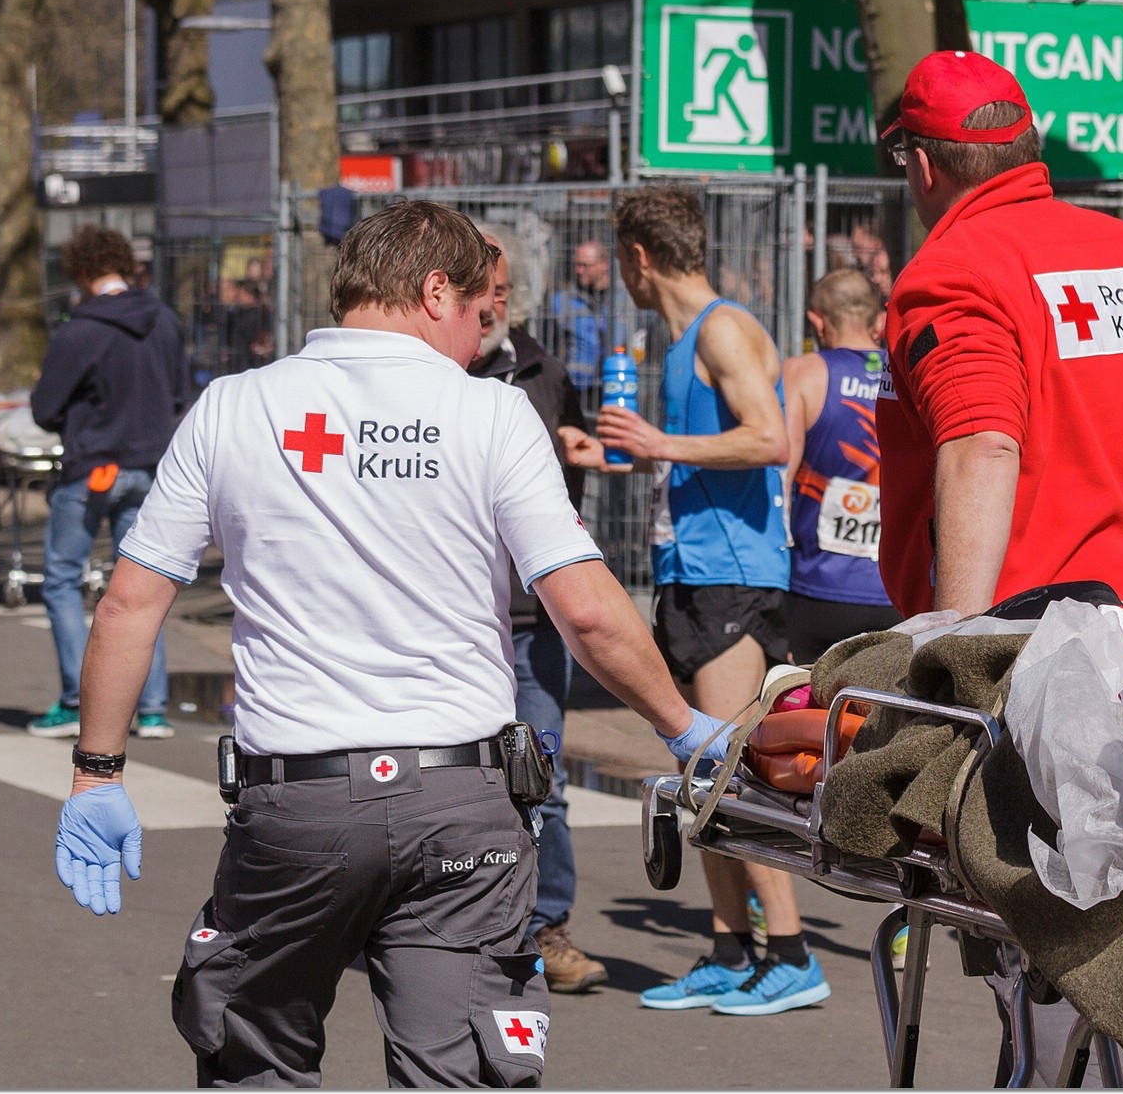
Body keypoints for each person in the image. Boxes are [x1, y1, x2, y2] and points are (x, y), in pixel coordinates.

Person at [50, 200, 730, 1087]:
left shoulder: (235, 407)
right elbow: (590, 612)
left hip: (296, 806)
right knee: (462, 1069)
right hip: (462, 801)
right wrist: (683, 728)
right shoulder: (490, 414)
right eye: (480, 307)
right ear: (433, 290)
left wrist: (96, 774)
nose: (486, 330)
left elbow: (128, 604)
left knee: (256, 1057)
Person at [560, 184, 829, 1017]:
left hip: (733, 578)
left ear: (639, 257)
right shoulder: (677, 341)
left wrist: (660, 442)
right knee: (695, 768)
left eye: (622, 263)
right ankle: (727, 947)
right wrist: (637, 460)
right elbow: (704, 455)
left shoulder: (723, 326)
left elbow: (769, 438)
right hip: (689, 571)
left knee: (736, 771)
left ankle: (791, 955)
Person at [876, 49, 1123, 618]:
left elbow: (983, 445)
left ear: (925, 166)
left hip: (1032, 652)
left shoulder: (951, 274)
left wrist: (950, 659)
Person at [469, 225, 607, 996]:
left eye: (498, 290)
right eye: (475, 290)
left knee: (538, 778)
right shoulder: (434, 376)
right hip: (452, 619)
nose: (490, 304)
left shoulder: (541, 369)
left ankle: (545, 927)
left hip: (530, 620)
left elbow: (564, 483)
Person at [27, 225, 184, 742]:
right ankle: (154, 706)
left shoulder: (78, 330)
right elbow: (180, 393)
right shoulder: (164, 320)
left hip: (92, 466)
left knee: (62, 579)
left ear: (80, 270)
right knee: (143, 589)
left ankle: (76, 696)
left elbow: (46, 407)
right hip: (152, 466)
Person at [782, 269, 900, 663]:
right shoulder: (909, 372)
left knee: (810, 716)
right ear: (880, 322)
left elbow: (780, 476)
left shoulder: (803, 373)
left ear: (817, 320)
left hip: (818, 589)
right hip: (896, 590)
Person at [547, 238, 609, 398]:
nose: (579, 270)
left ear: (604, 264)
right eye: (577, 265)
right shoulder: (562, 302)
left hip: (612, 386)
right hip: (574, 389)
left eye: (586, 266)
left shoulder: (621, 302)